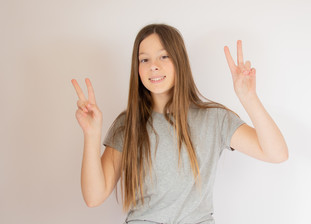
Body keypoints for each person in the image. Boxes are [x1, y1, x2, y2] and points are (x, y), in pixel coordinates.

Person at [71, 23, 288, 224]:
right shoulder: (127, 124)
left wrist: (248, 97)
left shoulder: (214, 119)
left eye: (163, 56)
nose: (153, 66)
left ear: (179, 61)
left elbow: (277, 153)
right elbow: (94, 197)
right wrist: (91, 135)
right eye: (144, 59)